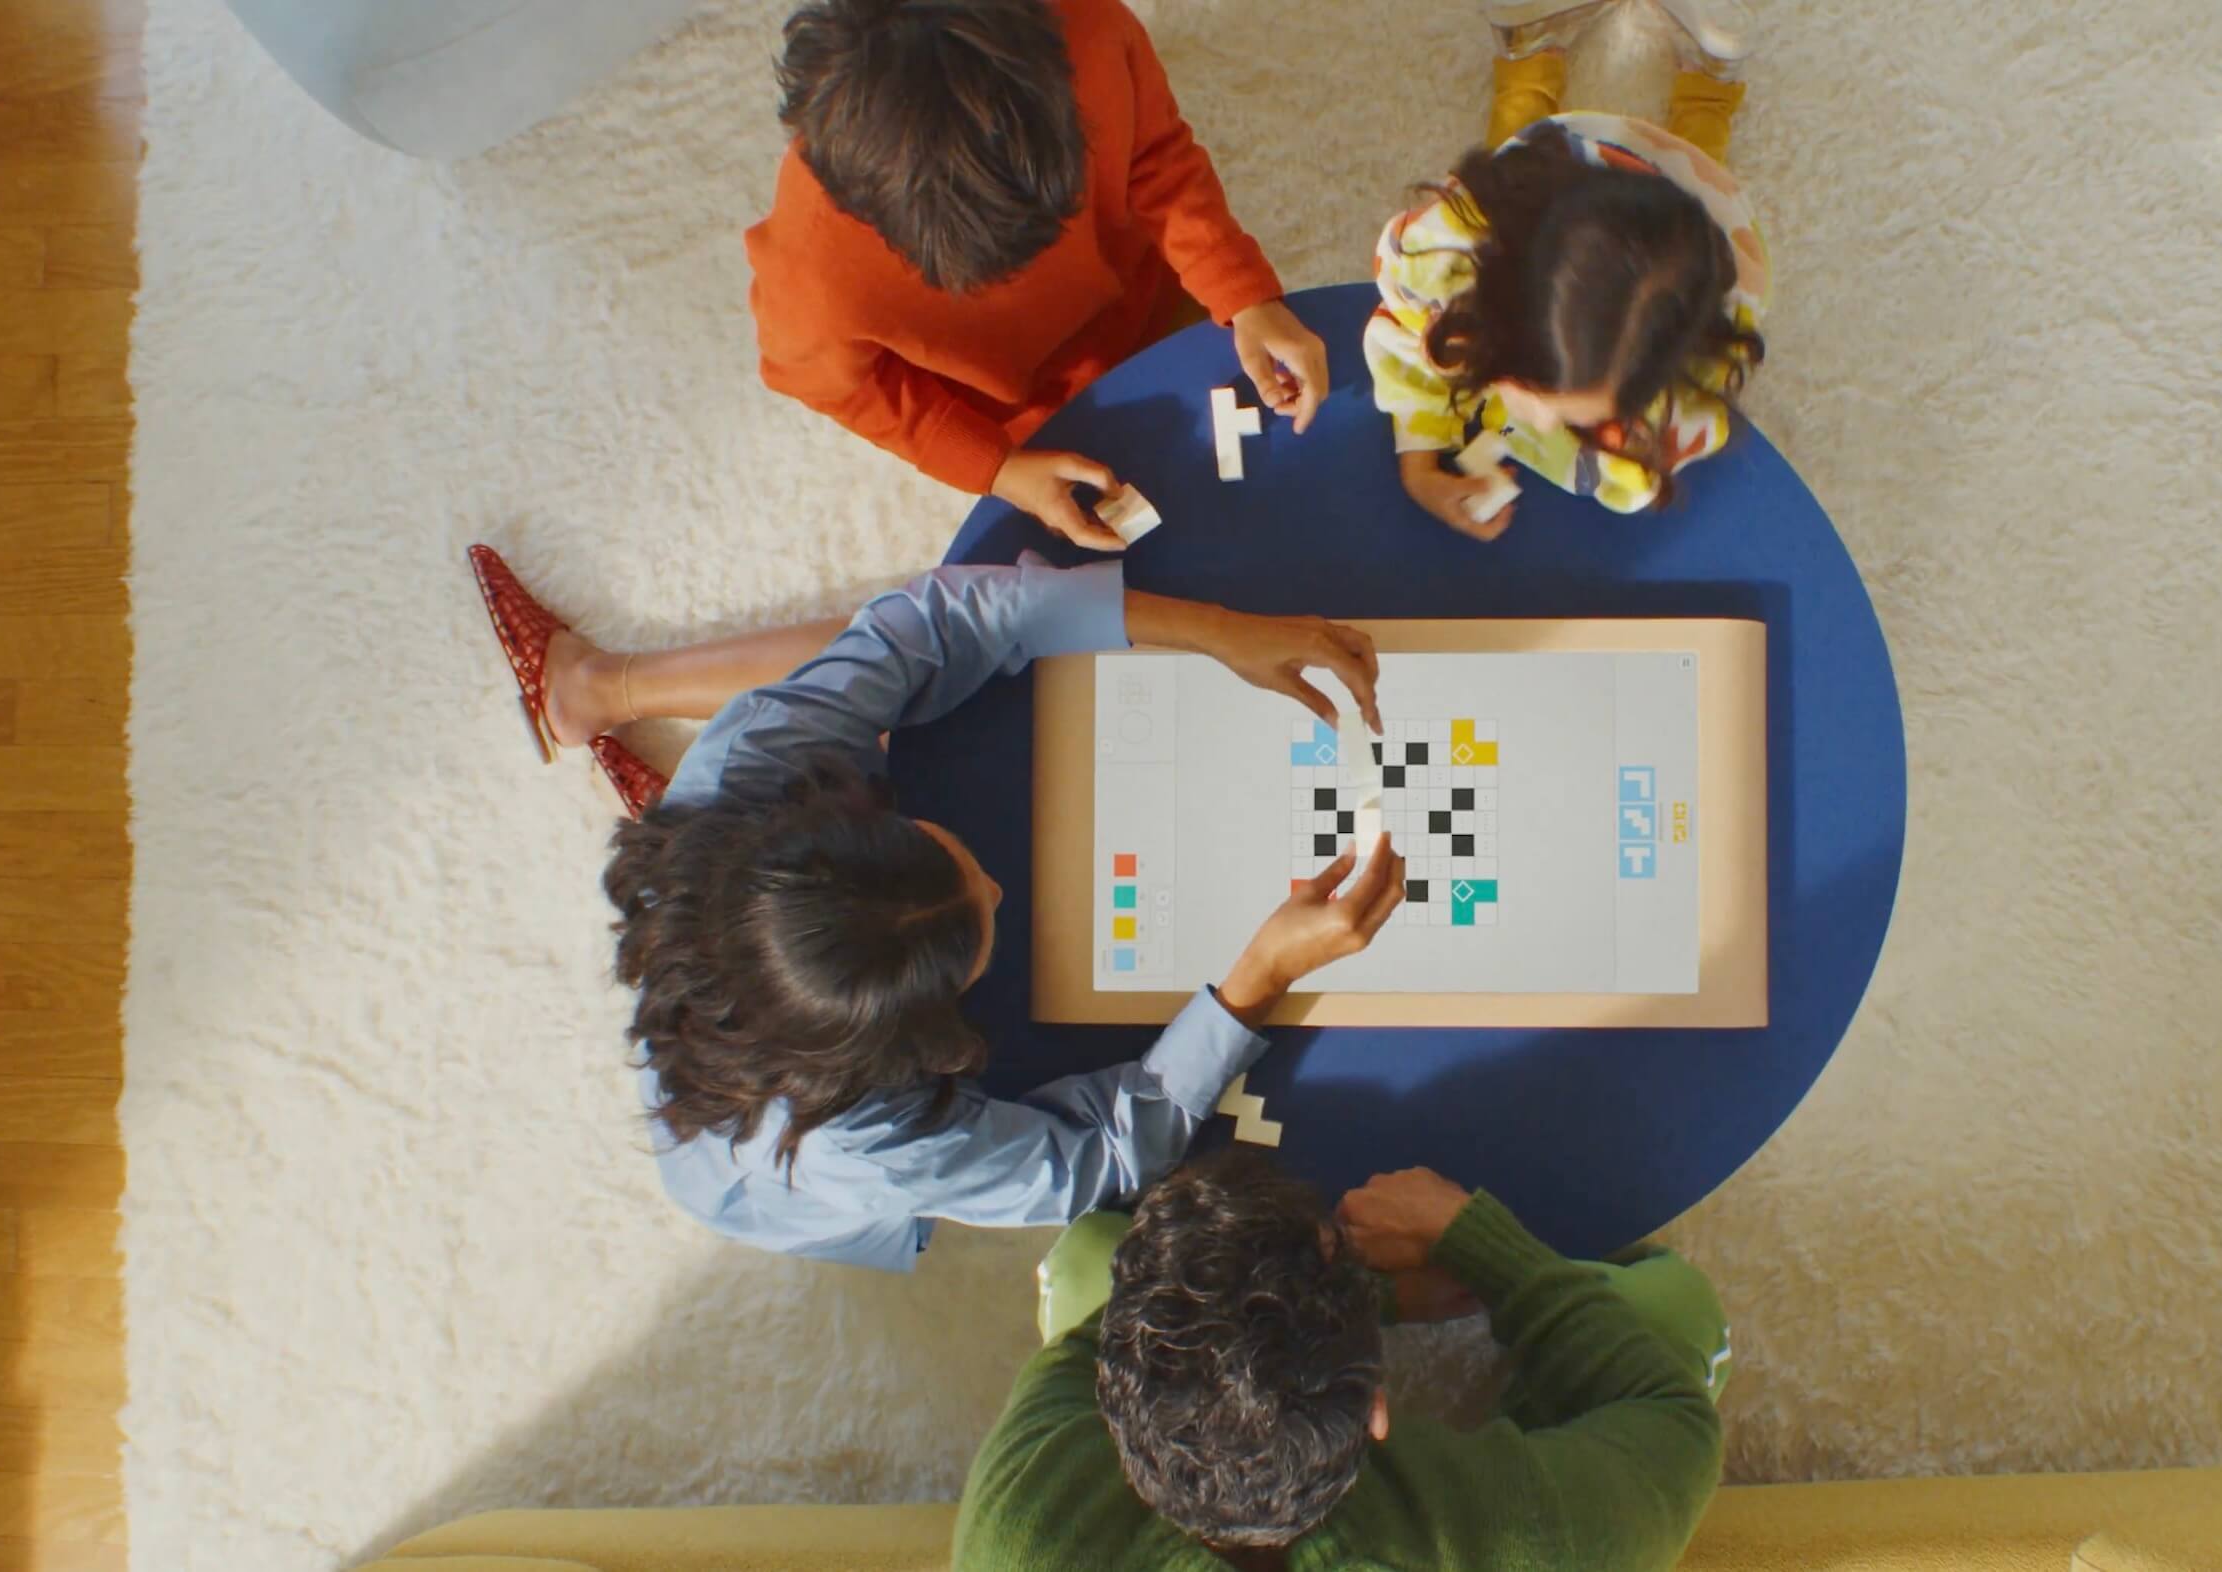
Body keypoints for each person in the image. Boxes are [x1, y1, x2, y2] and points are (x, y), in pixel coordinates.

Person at [465, 545, 1406, 1270]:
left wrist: (1211, 629)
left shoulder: (755, 761)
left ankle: (595, 697)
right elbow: (1097, 1163)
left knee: (819, 679)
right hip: (770, 1158)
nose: (997, 886)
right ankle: (595, 698)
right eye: (980, 930)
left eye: (944, 855)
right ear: (916, 1048)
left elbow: (924, 619)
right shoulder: (867, 1148)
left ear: (833, 813)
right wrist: (1258, 978)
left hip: (711, 853)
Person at [956, 1150, 1731, 1570]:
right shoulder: (1520, 1539)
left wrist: (1353, 1306)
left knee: (1091, 1255)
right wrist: (1483, 1249)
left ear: (1117, 1419)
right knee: (1672, 1309)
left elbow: (1121, 1320)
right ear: (1378, 1412)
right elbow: (1670, 1417)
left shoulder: (1025, 1526)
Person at [747, 0, 1330, 550]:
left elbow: (1158, 159)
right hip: (1014, 415)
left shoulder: (1092, 29)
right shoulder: (811, 269)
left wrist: (1245, 294)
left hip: (1148, 298)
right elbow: (842, 389)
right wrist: (996, 468)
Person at [1366, 0, 1771, 541]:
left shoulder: (1697, 363)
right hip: (1548, 174)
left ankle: (1708, 93)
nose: (1541, 423)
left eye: (1578, 417)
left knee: (1698, 156)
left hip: (1687, 194)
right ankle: (1530, 61)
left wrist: (1630, 465)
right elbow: (1405, 334)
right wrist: (1419, 467)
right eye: (1535, 396)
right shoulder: (1442, 254)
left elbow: (1658, 456)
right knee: (1514, 149)